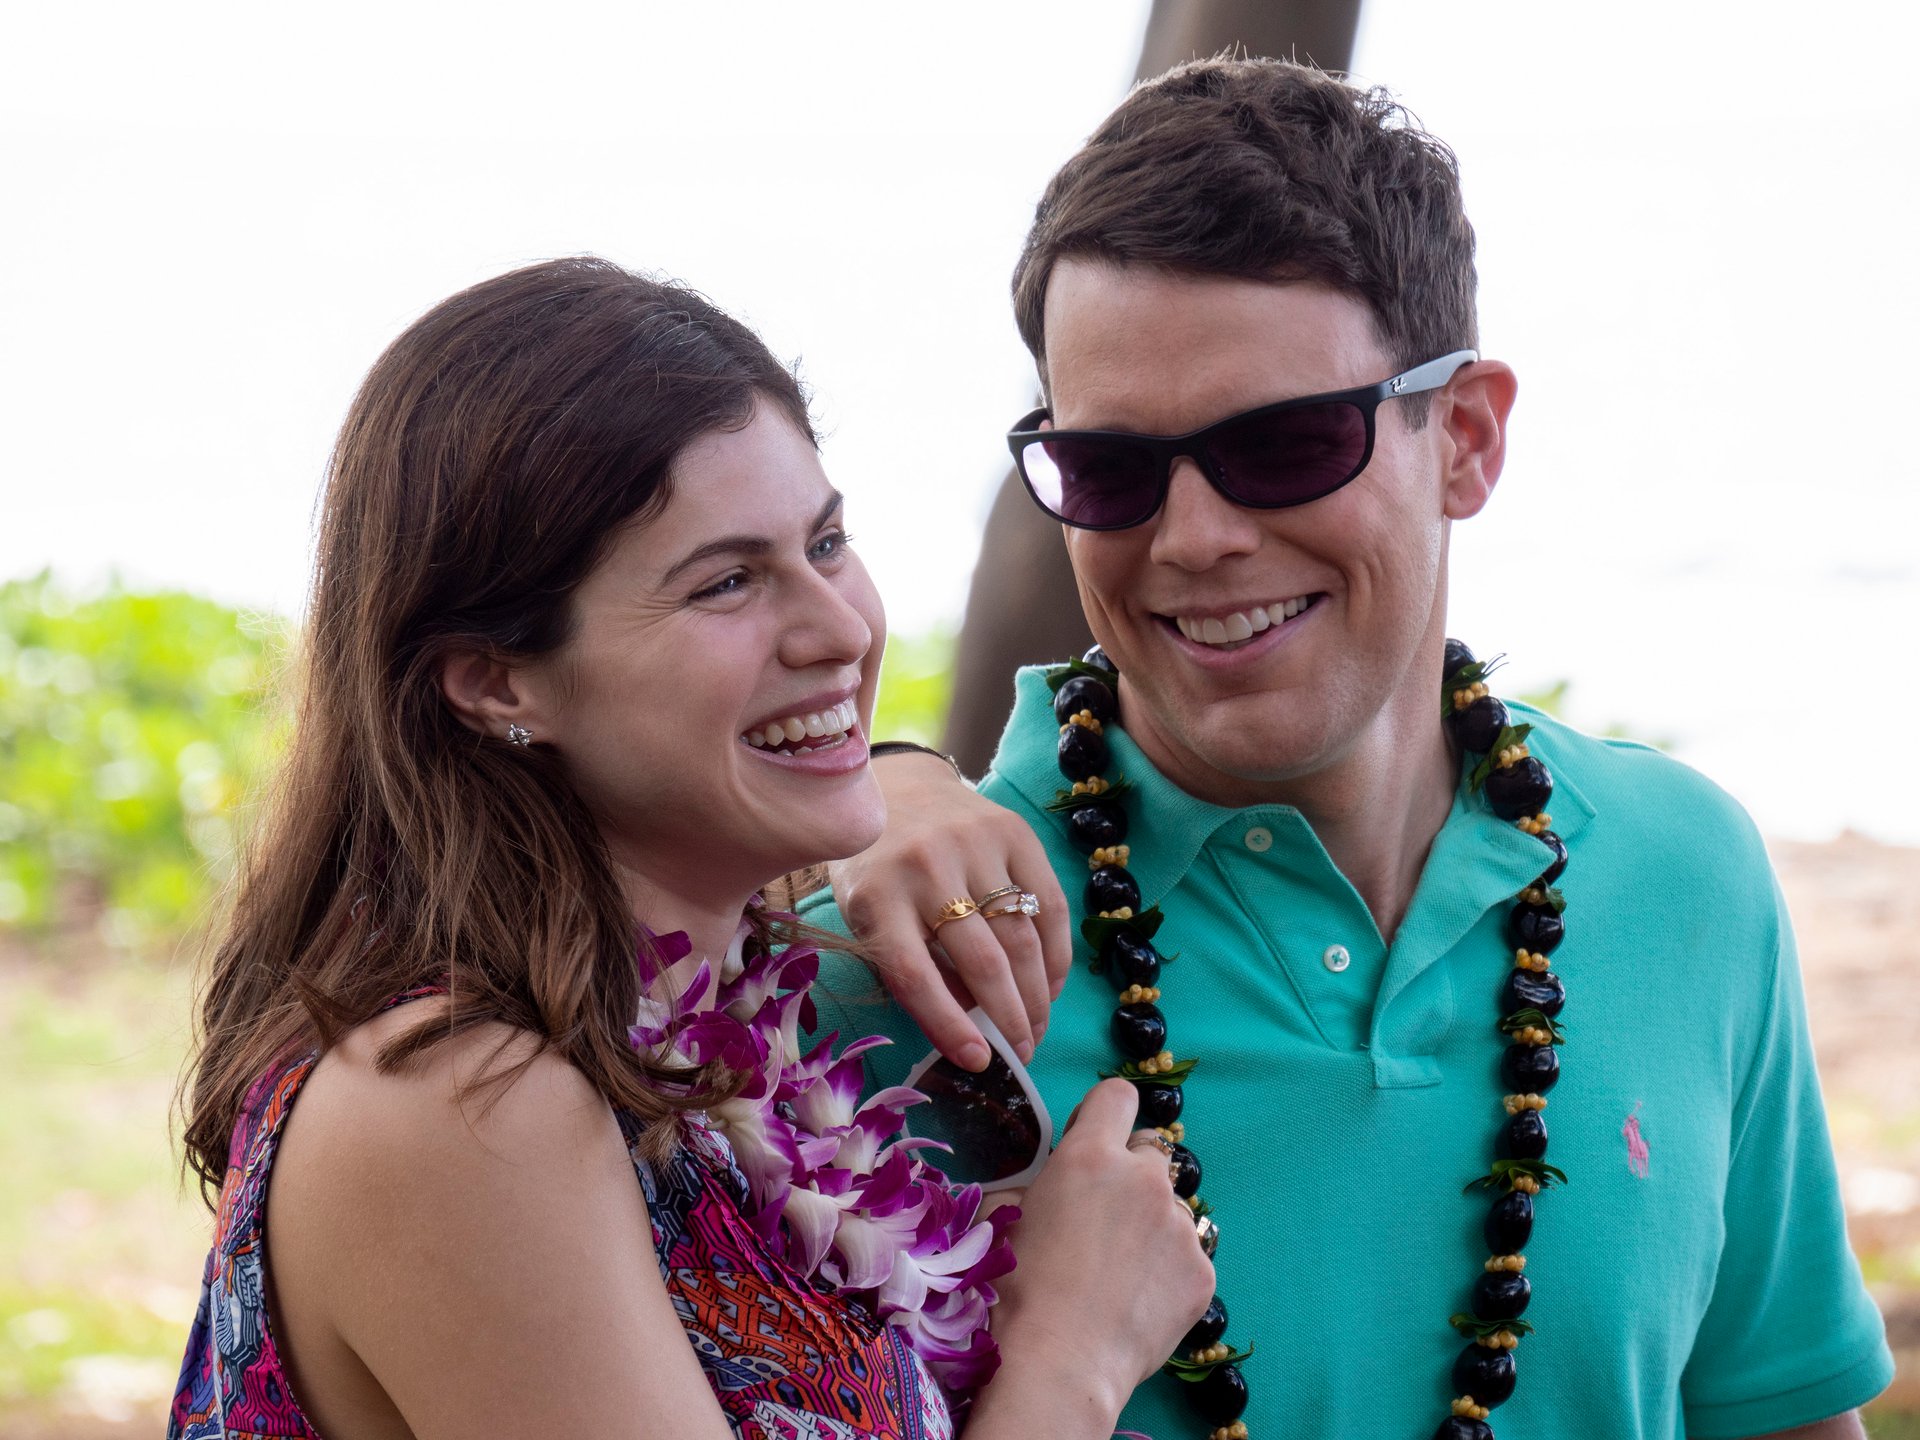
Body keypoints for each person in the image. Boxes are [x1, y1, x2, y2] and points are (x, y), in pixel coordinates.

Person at [803, 58, 1894, 1440]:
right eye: (1112, 469)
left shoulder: (1687, 875)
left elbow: (1776, 1413)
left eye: (1285, 444)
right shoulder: (898, 975)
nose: (1195, 538)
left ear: (1469, 440)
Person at [168, 257, 1213, 1440]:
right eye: (727, 582)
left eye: (826, 544)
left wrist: (906, 778)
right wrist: (1076, 1353)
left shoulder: (729, 1046)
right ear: (497, 679)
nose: (838, 629)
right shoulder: (456, 1101)